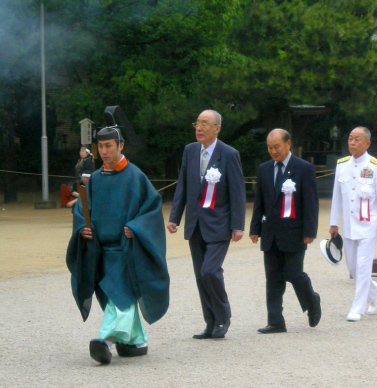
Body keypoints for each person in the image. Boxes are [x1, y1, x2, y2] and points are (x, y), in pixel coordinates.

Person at [66, 126, 170, 365]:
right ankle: (137, 341)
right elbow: (82, 209)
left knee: (121, 296)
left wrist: (135, 227)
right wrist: (83, 227)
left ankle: (106, 340)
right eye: (100, 147)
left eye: (108, 146)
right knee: (115, 295)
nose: (104, 151)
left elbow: (152, 209)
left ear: (120, 145)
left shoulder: (135, 176)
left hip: (127, 249)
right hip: (101, 250)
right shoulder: (95, 180)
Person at [167, 110, 246, 339]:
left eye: (205, 123)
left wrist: (238, 225)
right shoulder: (190, 151)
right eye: (197, 123)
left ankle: (223, 316)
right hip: (195, 224)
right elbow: (182, 184)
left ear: (217, 129)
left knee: (210, 271)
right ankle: (210, 322)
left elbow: (238, 192)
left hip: (219, 224)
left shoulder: (229, 154)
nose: (199, 128)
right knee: (201, 276)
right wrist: (174, 217)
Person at [250, 129, 321, 332]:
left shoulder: (303, 168)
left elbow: (310, 203)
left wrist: (310, 230)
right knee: (272, 277)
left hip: (294, 231)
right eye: (269, 148)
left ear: (288, 144)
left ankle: (312, 300)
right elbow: (260, 202)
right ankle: (275, 321)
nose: (273, 151)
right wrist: (255, 227)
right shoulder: (264, 169)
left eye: (277, 147)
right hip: (270, 232)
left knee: (294, 273)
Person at [330, 126, 377, 321]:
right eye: (350, 139)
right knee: (353, 267)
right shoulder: (342, 165)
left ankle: (357, 307)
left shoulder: (376, 166)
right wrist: (333, 222)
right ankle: (374, 293)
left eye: (357, 139)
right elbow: (336, 197)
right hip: (349, 225)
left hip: (368, 225)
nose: (352, 143)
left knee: (364, 266)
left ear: (367, 143)